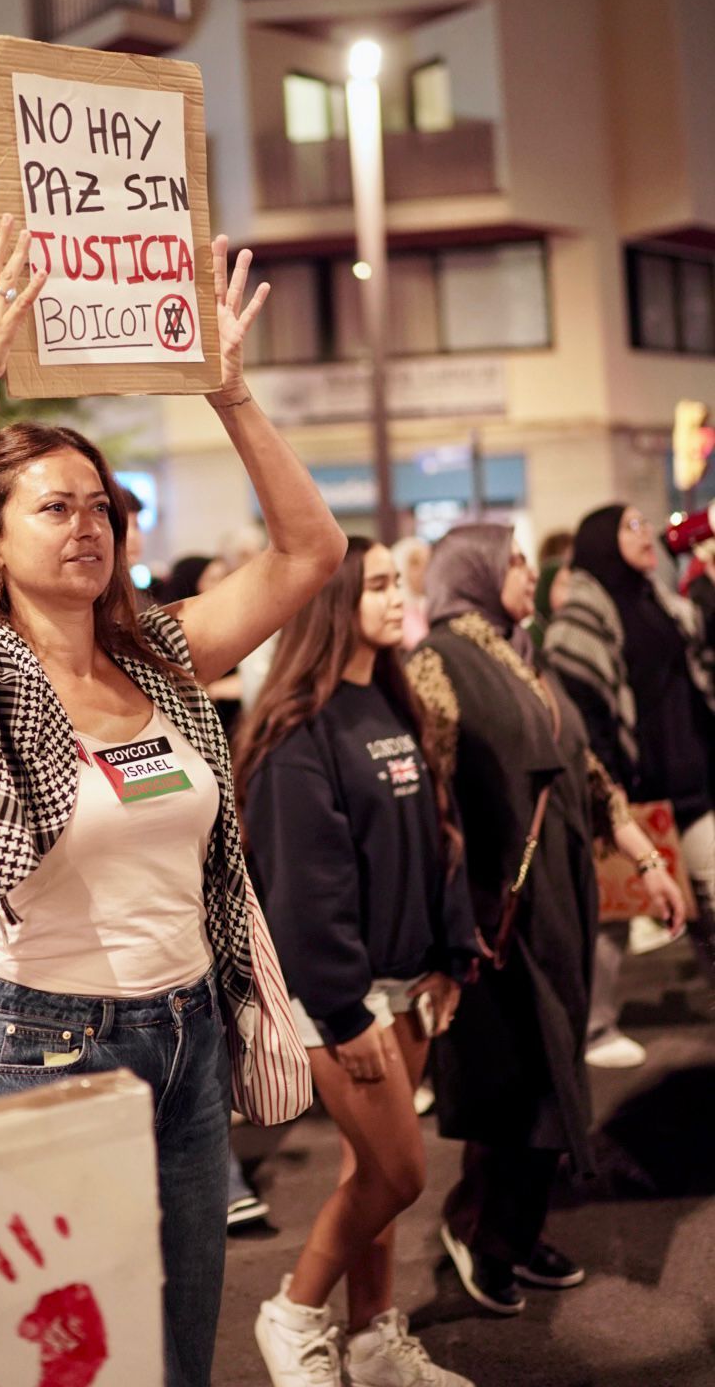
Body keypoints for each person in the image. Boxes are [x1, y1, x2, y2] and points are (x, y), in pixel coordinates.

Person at [0, 214, 347, 1387]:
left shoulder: (162, 656)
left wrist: (230, 394)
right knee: (61, 1363)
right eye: (54, 507)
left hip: (187, 1032)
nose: (89, 525)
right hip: (42, 1047)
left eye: (101, 506)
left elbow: (310, 552)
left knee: (176, 1351)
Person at [405, 525, 684, 1318]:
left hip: (557, 890)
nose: (531, 573)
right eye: (516, 560)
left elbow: (583, 769)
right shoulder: (439, 660)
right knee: (511, 1072)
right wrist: (445, 915)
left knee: (552, 1066)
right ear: (478, 571)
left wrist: (646, 858)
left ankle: (517, 1231)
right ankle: (482, 1230)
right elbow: (431, 793)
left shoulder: (523, 653)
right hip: (498, 902)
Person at [236, 538, 478, 1387]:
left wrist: (450, 955)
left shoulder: (393, 699)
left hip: (409, 983)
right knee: (400, 1174)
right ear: (334, 600)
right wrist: (345, 1010)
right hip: (342, 999)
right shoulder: (298, 731)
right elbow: (305, 893)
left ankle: (373, 1343)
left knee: (368, 1171)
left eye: (397, 583)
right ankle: (294, 1312)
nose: (396, 597)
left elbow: (438, 836)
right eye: (377, 585)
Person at [543, 504, 715, 1063]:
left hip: (689, 780)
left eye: (645, 525)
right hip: (628, 788)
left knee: (709, 892)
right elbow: (581, 711)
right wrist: (607, 787)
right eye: (631, 526)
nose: (646, 535)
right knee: (613, 916)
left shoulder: (661, 600)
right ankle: (595, 1029)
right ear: (602, 540)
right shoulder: (580, 620)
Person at [391, 536, 431, 652]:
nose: (424, 570)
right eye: (415, 563)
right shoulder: (395, 613)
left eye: (428, 562)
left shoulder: (426, 608)